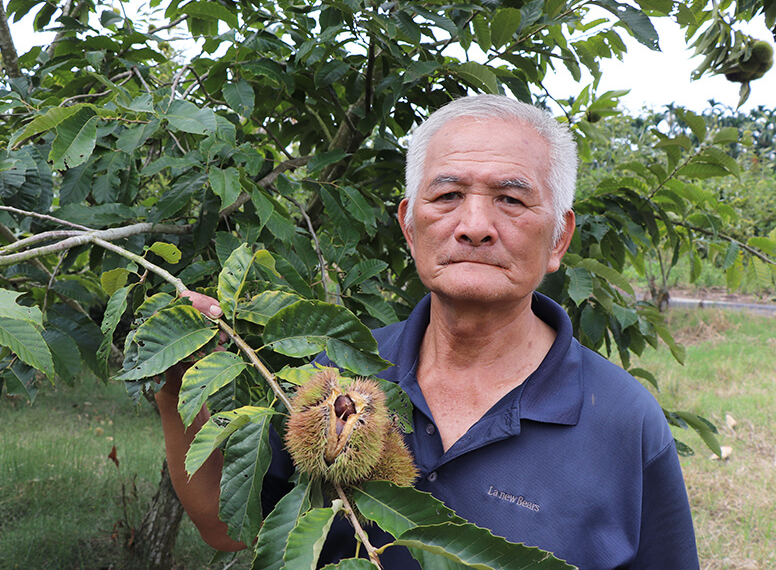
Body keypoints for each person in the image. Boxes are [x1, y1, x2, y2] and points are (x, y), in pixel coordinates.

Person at [156, 94, 700, 569]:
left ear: (559, 238)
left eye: (511, 199)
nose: (475, 226)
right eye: (447, 196)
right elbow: (227, 527)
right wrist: (178, 378)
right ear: (409, 227)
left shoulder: (626, 423)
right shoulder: (336, 372)